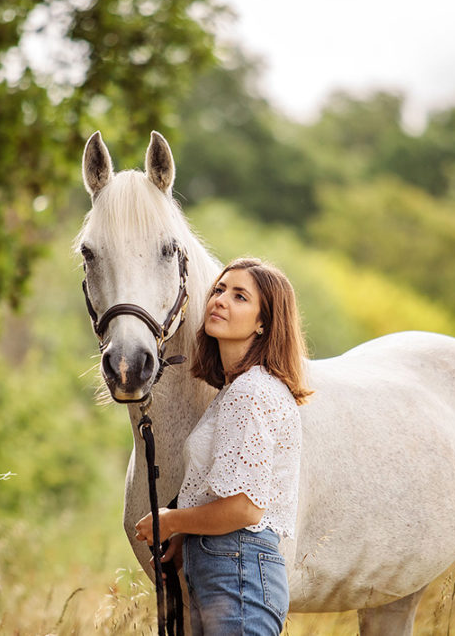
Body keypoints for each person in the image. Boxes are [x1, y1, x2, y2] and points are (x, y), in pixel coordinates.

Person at [135, 257, 312, 635]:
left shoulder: (251, 392)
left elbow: (245, 509)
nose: (220, 300)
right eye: (218, 290)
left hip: (239, 569)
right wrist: (189, 539)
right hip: (226, 567)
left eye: (239, 296)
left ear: (263, 323)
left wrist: (171, 522)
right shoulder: (236, 390)